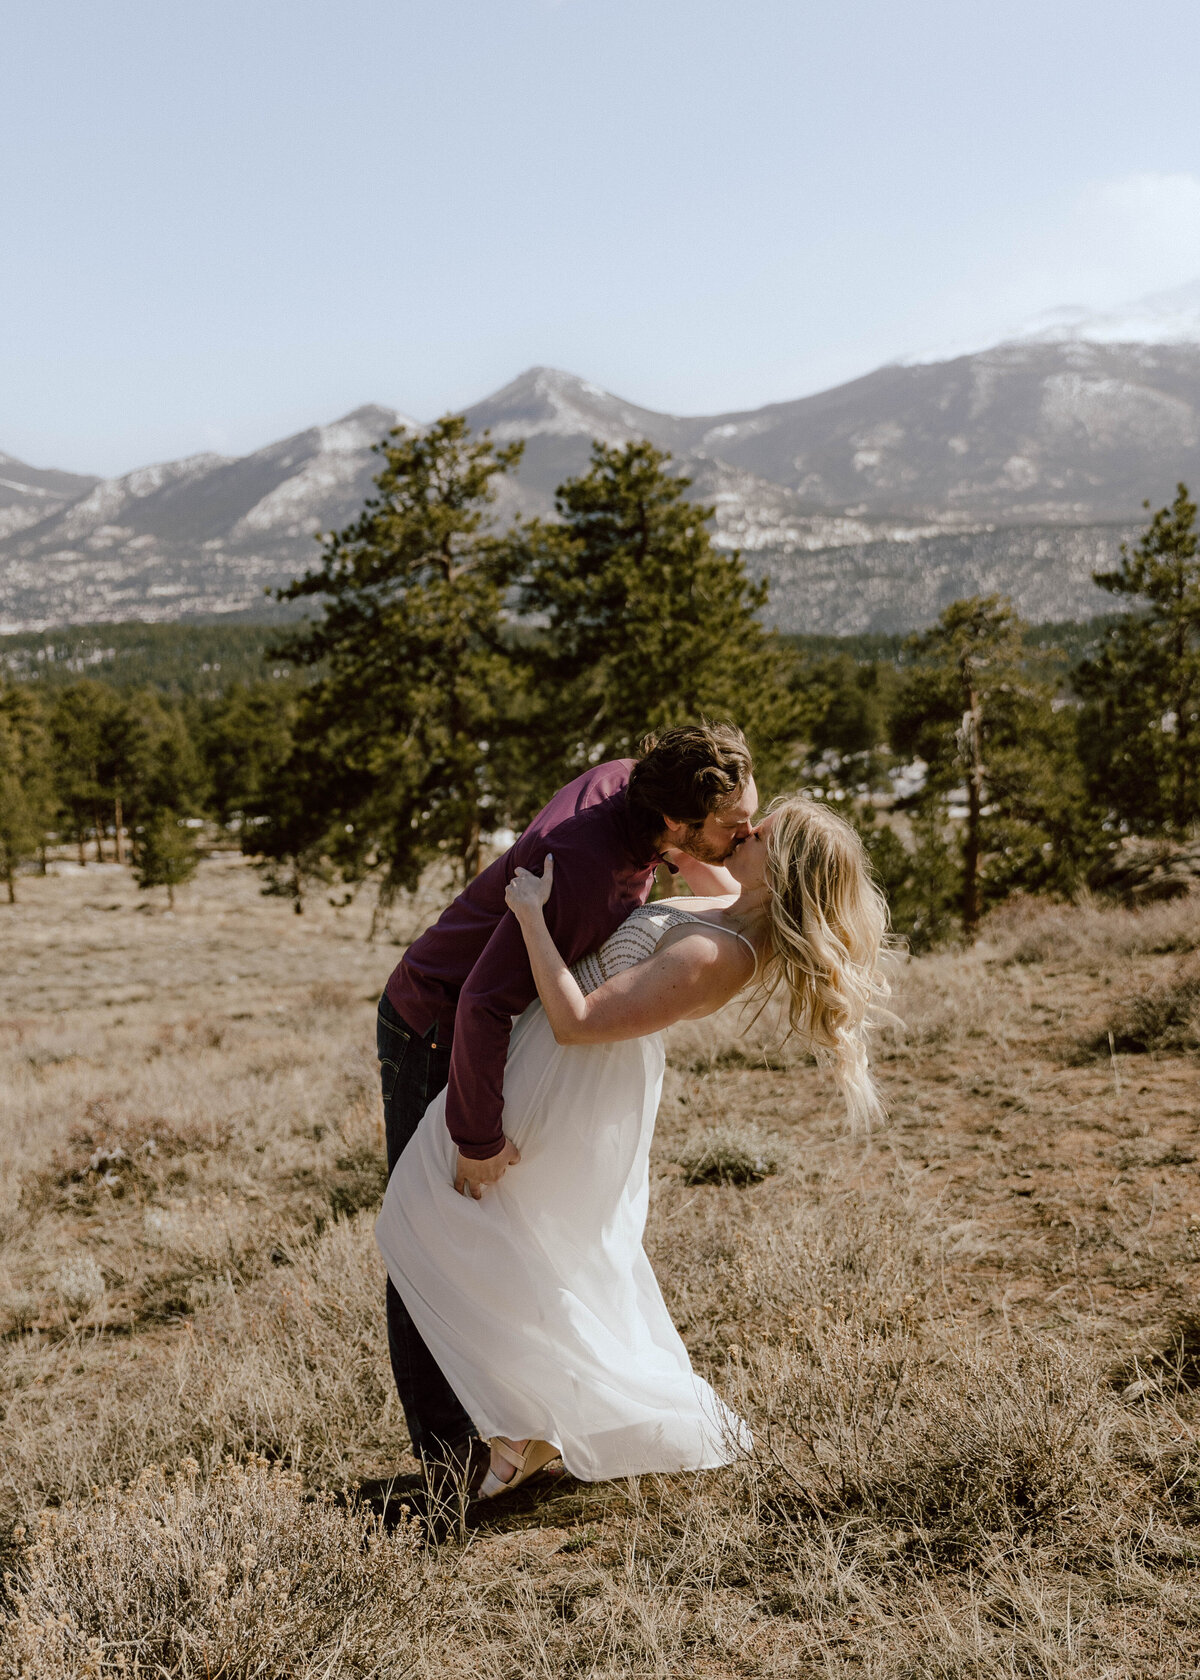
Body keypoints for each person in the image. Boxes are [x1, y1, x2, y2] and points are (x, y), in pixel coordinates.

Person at [375, 792, 891, 1501]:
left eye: (762, 832)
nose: (747, 829)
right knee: (502, 1234)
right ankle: (524, 1425)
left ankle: (531, 1426)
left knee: (432, 1216)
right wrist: (664, 827)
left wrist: (529, 916)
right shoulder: (736, 904)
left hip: (571, 1079)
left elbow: (579, 1020)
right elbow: (693, 873)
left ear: (784, 868)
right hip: (555, 1069)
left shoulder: (719, 950)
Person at [371, 724, 759, 1513]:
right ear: (677, 822)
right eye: (732, 826)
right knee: (428, 1230)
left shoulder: (629, 787)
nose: (745, 835)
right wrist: (476, 1137)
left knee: (504, 1233)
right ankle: (451, 1470)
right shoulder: (584, 872)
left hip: (498, 1030)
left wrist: (709, 861)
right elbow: (482, 999)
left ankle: (516, 1429)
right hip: (438, 1025)